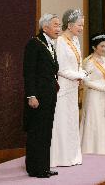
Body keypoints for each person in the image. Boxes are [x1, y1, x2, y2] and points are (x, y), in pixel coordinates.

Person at [23, 13, 60, 178]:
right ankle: (34, 168)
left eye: (59, 25)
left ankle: (44, 166)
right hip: (38, 96)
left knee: (46, 131)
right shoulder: (34, 43)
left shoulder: (50, 44)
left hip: (49, 95)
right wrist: (31, 95)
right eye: (55, 25)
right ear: (45, 27)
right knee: (36, 132)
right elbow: (28, 72)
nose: (59, 29)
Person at [50, 9, 87, 167]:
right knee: (62, 121)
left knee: (72, 121)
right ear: (70, 25)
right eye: (79, 25)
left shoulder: (75, 41)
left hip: (74, 87)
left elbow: (76, 63)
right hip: (63, 88)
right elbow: (59, 68)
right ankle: (60, 157)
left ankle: (72, 155)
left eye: (83, 25)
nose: (82, 28)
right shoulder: (60, 42)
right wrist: (78, 75)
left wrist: (81, 72)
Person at [80, 33, 105, 154]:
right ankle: (92, 150)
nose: (104, 49)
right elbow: (87, 82)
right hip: (94, 95)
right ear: (94, 47)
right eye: (101, 46)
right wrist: (103, 89)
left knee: (104, 121)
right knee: (94, 122)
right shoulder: (89, 61)